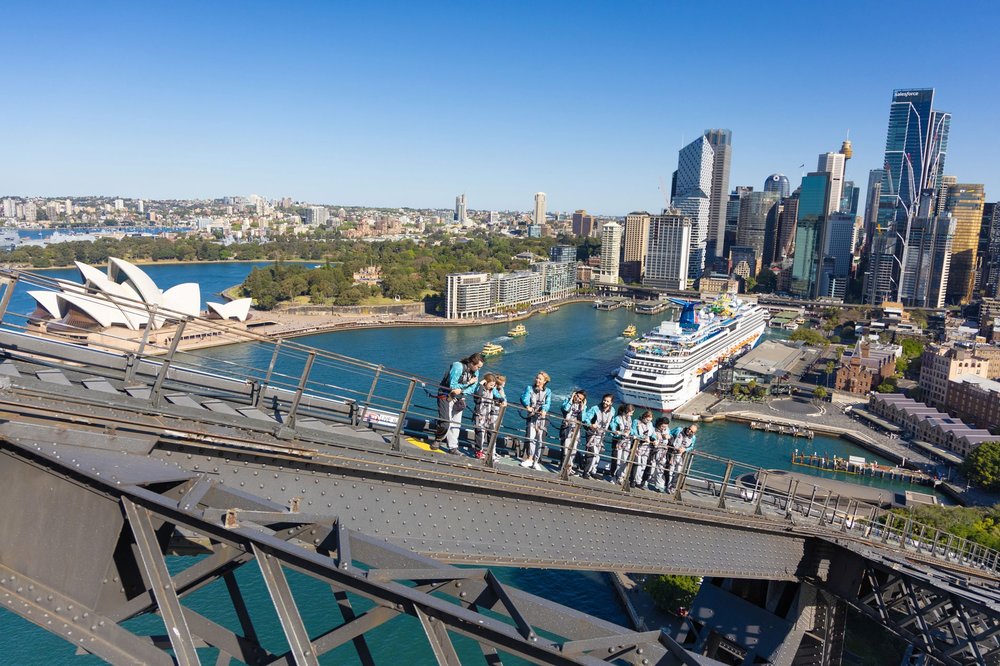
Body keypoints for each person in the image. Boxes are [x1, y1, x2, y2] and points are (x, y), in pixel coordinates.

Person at [432, 352, 483, 454]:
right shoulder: (458, 367)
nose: (478, 369)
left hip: (460, 397)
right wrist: (468, 383)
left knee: (456, 424)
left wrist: (462, 391)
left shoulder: (475, 372)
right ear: (472, 363)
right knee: (446, 421)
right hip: (446, 395)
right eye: (478, 366)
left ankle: (453, 447)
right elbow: (453, 385)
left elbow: (473, 388)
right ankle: (438, 439)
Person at [520, 371, 552, 470]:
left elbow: (548, 403)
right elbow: (524, 398)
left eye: (540, 379)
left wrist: (544, 410)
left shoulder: (548, 391)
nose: (537, 380)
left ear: (545, 381)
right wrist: (527, 406)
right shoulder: (530, 388)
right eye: (537, 378)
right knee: (530, 437)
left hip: (542, 418)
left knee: (540, 440)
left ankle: (536, 461)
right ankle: (529, 458)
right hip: (532, 416)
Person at [580, 394, 614, 479]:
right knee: (593, 454)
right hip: (592, 434)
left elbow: (611, 422)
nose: (605, 402)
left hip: (601, 435)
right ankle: (586, 472)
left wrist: (614, 430)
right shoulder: (595, 409)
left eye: (607, 401)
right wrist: (591, 424)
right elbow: (586, 418)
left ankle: (593, 471)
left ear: (611, 403)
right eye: (604, 400)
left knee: (598, 455)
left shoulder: (612, 410)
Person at [559, 389, 587, 472]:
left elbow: (583, 418)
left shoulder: (582, 407)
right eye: (577, 396)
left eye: (580, 399)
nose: (577, 399)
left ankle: (569, 467)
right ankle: (564, 467)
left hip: (575, 429)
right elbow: (565, 409)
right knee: (566, 448)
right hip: (566, 427)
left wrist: (582, 408)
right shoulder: (567, 401)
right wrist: (571, 400)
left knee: (573, 449)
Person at [472, 373, 497, 459]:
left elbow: (496, 397)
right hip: (479, 415)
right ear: (486, 383)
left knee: (490, 432)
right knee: (480, 434)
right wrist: (481, 384)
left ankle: (490, 451)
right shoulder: (481, 389)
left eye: (493, 385)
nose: (492, 387)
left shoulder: (491, 391)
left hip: (488, 416)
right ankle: (478, 451)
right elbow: (477, 396)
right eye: (491, 385)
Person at [666, 424, 698, 492]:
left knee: (678, 472)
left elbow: (691, 447)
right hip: (672, 452)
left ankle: (673, 486)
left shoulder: (693, 438)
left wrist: (685, 449)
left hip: (681, 456)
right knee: (670, 471)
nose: (689, 431)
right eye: (689, 428)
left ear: (694, 433)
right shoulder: (679, 430)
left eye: (691, 431)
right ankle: (667, 485)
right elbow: (670, 433)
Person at [610, 404, 635, 484]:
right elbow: (613, 428)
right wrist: (619, 433)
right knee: (617, 460)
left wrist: (631, 433)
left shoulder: (630, 419)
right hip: (619, 442)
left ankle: (620, 476)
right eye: (631, 412)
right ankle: (613, 476)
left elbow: (632, 429)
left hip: (627, 442)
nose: (632, 414)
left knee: (624, 461)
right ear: (627, 411)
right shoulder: (618, 418)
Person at [631, 410, 656, 488]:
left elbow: (653, 433)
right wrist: (642, 438)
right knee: (637, 464)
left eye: (649, 420)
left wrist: (654, 439)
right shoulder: (636, 422)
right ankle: (633, 480)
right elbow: (634, 432)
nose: (648, 421)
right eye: (647, 419)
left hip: (646, 447)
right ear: (644, 417)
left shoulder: (650, 424)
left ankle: (638, 481)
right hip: (638, 445)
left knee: (643, 465)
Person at [648, 417, 672, 492]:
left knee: (660, 469)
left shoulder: (667, 430)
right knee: (651, 468)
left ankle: (660, 486)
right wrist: (655, 440)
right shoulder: (653, 429)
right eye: (662, 426)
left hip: (663, 452)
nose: (664, 428)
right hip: (654, 451)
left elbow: (671, 437)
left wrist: (669, 437)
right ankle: (646, 481)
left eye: (665, 426)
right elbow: (651, 436)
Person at [489, 374, 507, 458]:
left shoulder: (501, 389)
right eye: (504, 382)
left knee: (495, 434)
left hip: (499, 413)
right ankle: (491, 452)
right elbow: (500, 397)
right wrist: (502, 400)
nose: (505, 384)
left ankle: (493, 450)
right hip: (493, 413)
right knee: (492, 433)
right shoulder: (495, 390)